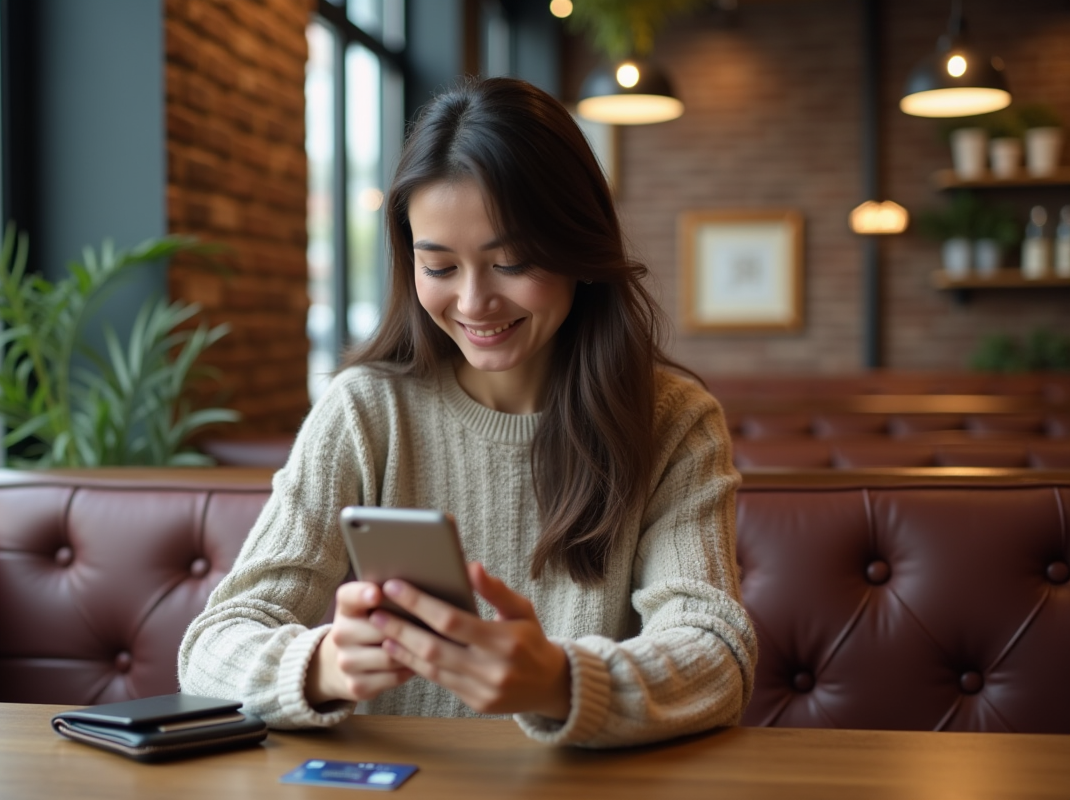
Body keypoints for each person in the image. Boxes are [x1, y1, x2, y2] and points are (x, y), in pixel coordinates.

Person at [178, 76, 757, 749]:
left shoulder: (671, 420)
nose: (475, 301)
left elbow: (717, 653)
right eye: (441, 266)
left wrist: (558, 681)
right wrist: (326, 664)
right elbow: (212, 648)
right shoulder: (366, 410)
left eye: (510, 262)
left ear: (579, 250)